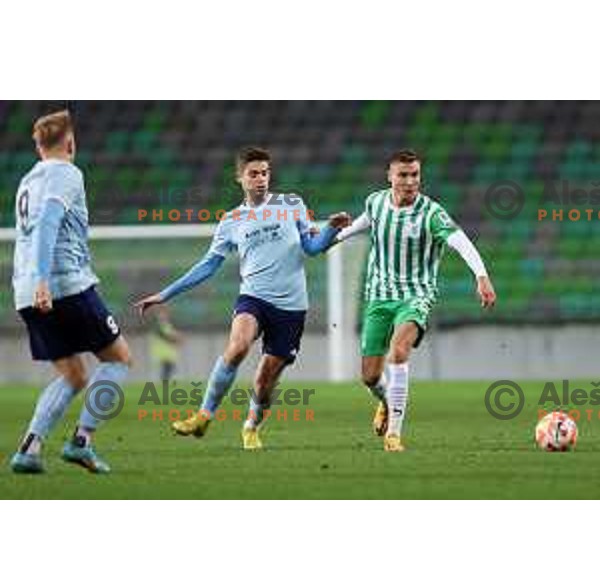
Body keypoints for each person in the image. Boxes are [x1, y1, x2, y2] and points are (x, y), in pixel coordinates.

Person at [135, 146, 350, 449]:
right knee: (237, 347)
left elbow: (312, 248)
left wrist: (330, 230)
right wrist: (166, 294)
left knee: (264, 383)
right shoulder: (232, 220)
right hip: (254, 297)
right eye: (253, 174)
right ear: (240, 178)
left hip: (291, 306)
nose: (261, 179)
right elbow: (208, 265)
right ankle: (203, 415)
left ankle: (251, 426)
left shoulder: (291, 204)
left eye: (265, 173)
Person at [335, 149, 496, 451]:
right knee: (369, 376)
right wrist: (322, 240)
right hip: (379, 297)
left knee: (399, 351)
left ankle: (394, 434)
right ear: (390, 176)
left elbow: (460, 242)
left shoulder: (431, 213)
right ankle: (385, 400)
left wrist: (481, 276)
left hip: (416, 295)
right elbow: (355, 228)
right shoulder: (376, 202)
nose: (410, 181)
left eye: (415, 175)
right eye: (403, 175)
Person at [10, 110, 132, 474]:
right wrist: (46, 279)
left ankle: (29, 450)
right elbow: (49, 221)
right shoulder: (67, 173)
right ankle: (82, 442)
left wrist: (36, 283)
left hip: (25, 291)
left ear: (38, 145)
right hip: (62, 284)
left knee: (73, 375)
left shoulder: (28, 179)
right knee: (119, 359)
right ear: (70, 142)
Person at [150, 305, 182, 382]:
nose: (163, 315)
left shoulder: (167, 325)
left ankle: (165, 386)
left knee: (169, 371)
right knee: (166, 371)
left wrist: (176, 338)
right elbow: (165, 336)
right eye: (161, 313)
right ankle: (164, 387)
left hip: (169, 353)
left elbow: (170, 335)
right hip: (162, 354)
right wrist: (176, 339)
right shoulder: (157, 326)